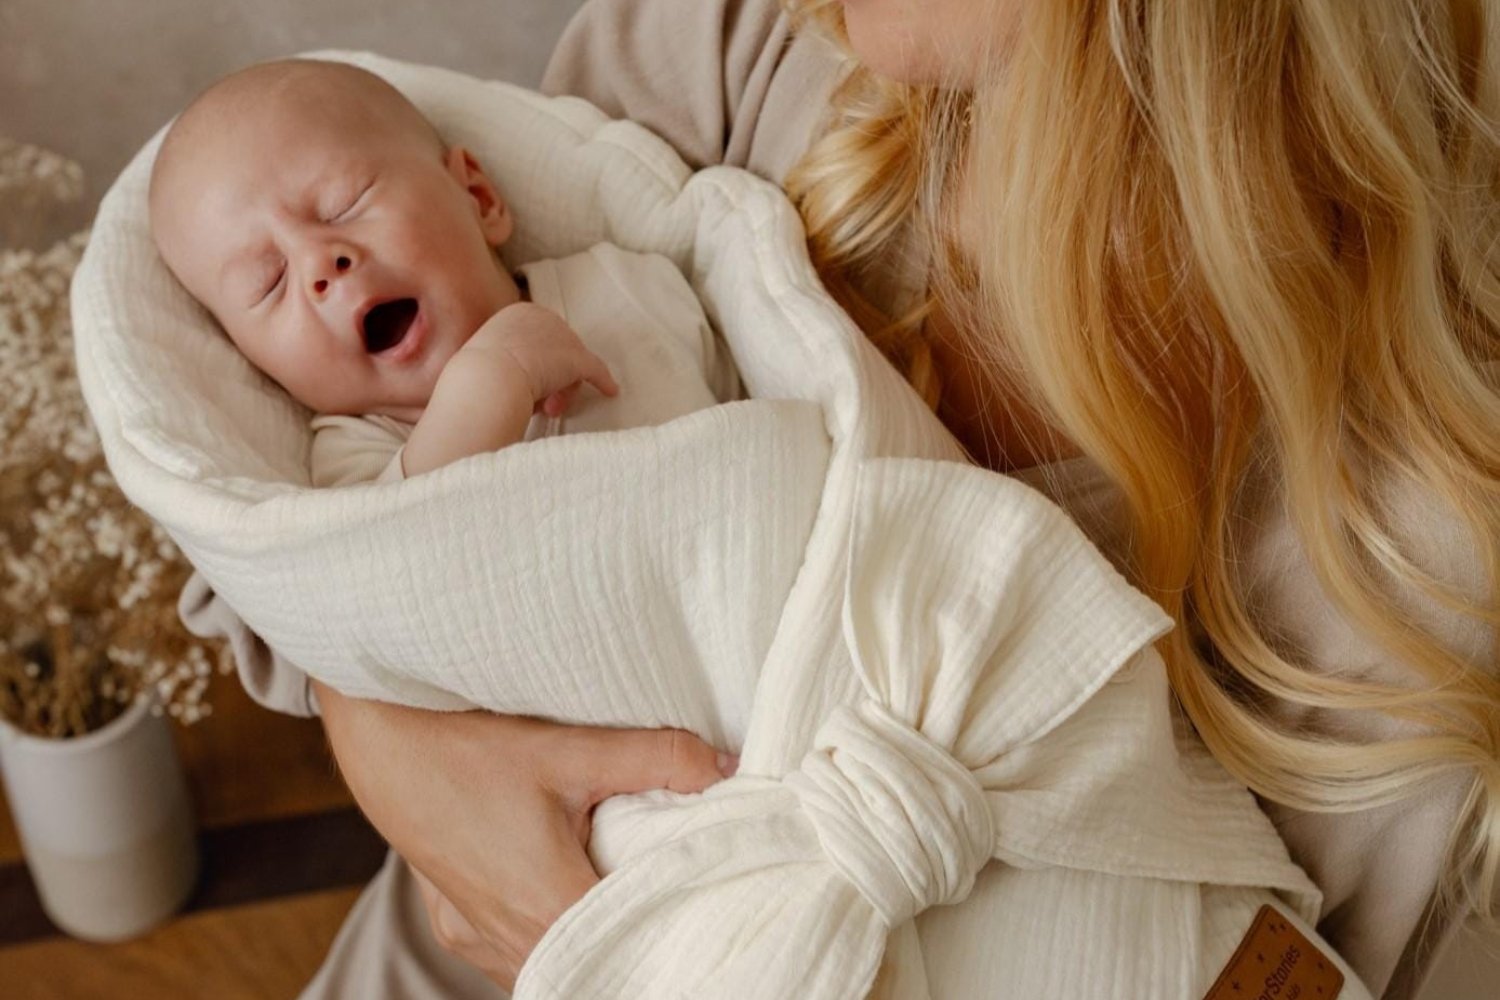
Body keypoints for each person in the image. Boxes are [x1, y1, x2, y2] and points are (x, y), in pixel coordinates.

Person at [177, 0, 1499, 997]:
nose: (324, 261)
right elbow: (264, 515)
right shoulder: (747, 37)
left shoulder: (1423, 535)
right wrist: (389, 738)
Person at [148, 59, 737, 490]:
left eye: (342, 205)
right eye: (269, 282)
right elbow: (395, 580)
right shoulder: (357, 460)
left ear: (478, 197)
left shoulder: (627, 284)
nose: (320, 264)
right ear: (258, 363)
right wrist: (489, 385)